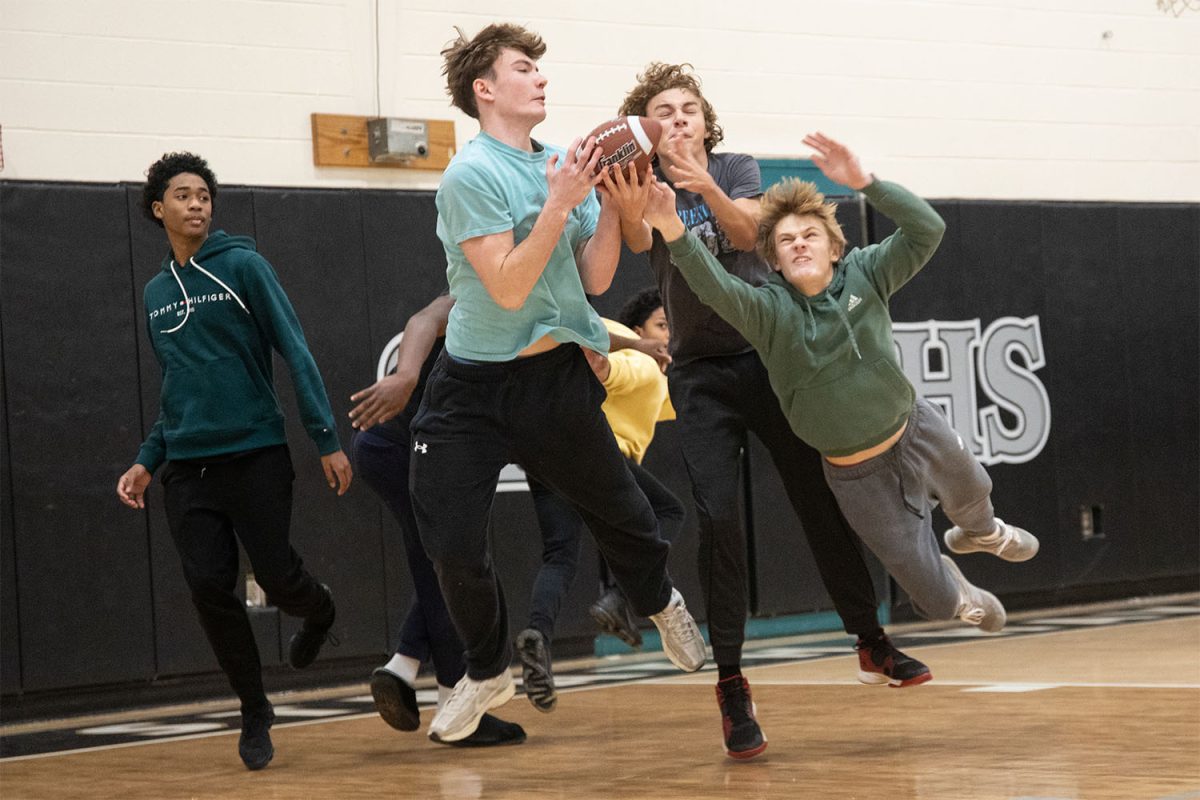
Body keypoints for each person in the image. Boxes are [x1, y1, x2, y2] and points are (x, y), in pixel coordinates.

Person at [610, 63, 928, 760]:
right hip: (698, 374)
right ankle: (731, 683)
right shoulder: (641, 182)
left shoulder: (736, 166)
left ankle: (870, 639)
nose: (681, 118)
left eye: (690, 107)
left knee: (820, 496)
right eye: (665, 110)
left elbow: (752, 234)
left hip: (772, 357)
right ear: (647, 126)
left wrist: (701, 181)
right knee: (720, 520)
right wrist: (636, 190)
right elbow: (637, 244)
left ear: (705, 119)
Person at [410, 24, 705, 745]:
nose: (541, 78)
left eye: (540, 68)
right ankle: (485, 672)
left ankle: (662, 602)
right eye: (523, 68)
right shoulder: (470, 174)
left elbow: (597, 278)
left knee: (626, 514)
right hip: (472, 386)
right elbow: (508, 287)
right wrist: (558, 201)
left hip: (554, 379)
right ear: (486, 89)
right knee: (449, 540)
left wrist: (606, 204)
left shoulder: (566, 163)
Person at [641, 131, 1039, 665]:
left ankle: (982, 532)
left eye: (810, 235)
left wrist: (865, 183)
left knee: (973, 491)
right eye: (786, 241)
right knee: (935, 601)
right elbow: (714, 286)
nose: (800, 243)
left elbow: (928, 230)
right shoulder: (769, 311)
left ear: (834, 246)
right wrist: (670, 227)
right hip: (855, 474)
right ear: (774, 261)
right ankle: (960, 589)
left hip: (913, 427)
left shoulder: (868, 271)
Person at [115, 152, 352, 771]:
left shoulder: (244, 266)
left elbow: (293, 348)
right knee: (209, 589)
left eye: (204, 195)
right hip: (186, 470)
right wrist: (148, 459)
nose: (197, 204)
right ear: (157, 209)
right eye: (183, 195)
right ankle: (254, 709)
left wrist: (325, 436)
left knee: (276, 580)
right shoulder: (156, 294)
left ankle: (318, 608)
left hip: (254, 456)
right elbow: (177, 388)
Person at [347, 293, 526, 747]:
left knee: (441, 569)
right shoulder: (484, 292)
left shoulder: (529, 309)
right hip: (401, 449)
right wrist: (406, 374)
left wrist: (642, 349)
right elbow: (424, 318)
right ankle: (449, 696)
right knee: (449, 571)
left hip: (393, 448)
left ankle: (406, 666)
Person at [516, 288, 685, 713]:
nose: (669, 336)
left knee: (561, 556)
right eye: (662, 326)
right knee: (666, 511)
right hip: (598, 457)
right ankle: (623, 599)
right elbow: (617, 371)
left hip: (547, 453)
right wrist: (614, 364)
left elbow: (670, 399)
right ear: (637, 331)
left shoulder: (648, 365)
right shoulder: (640, 358)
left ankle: (537, 633)